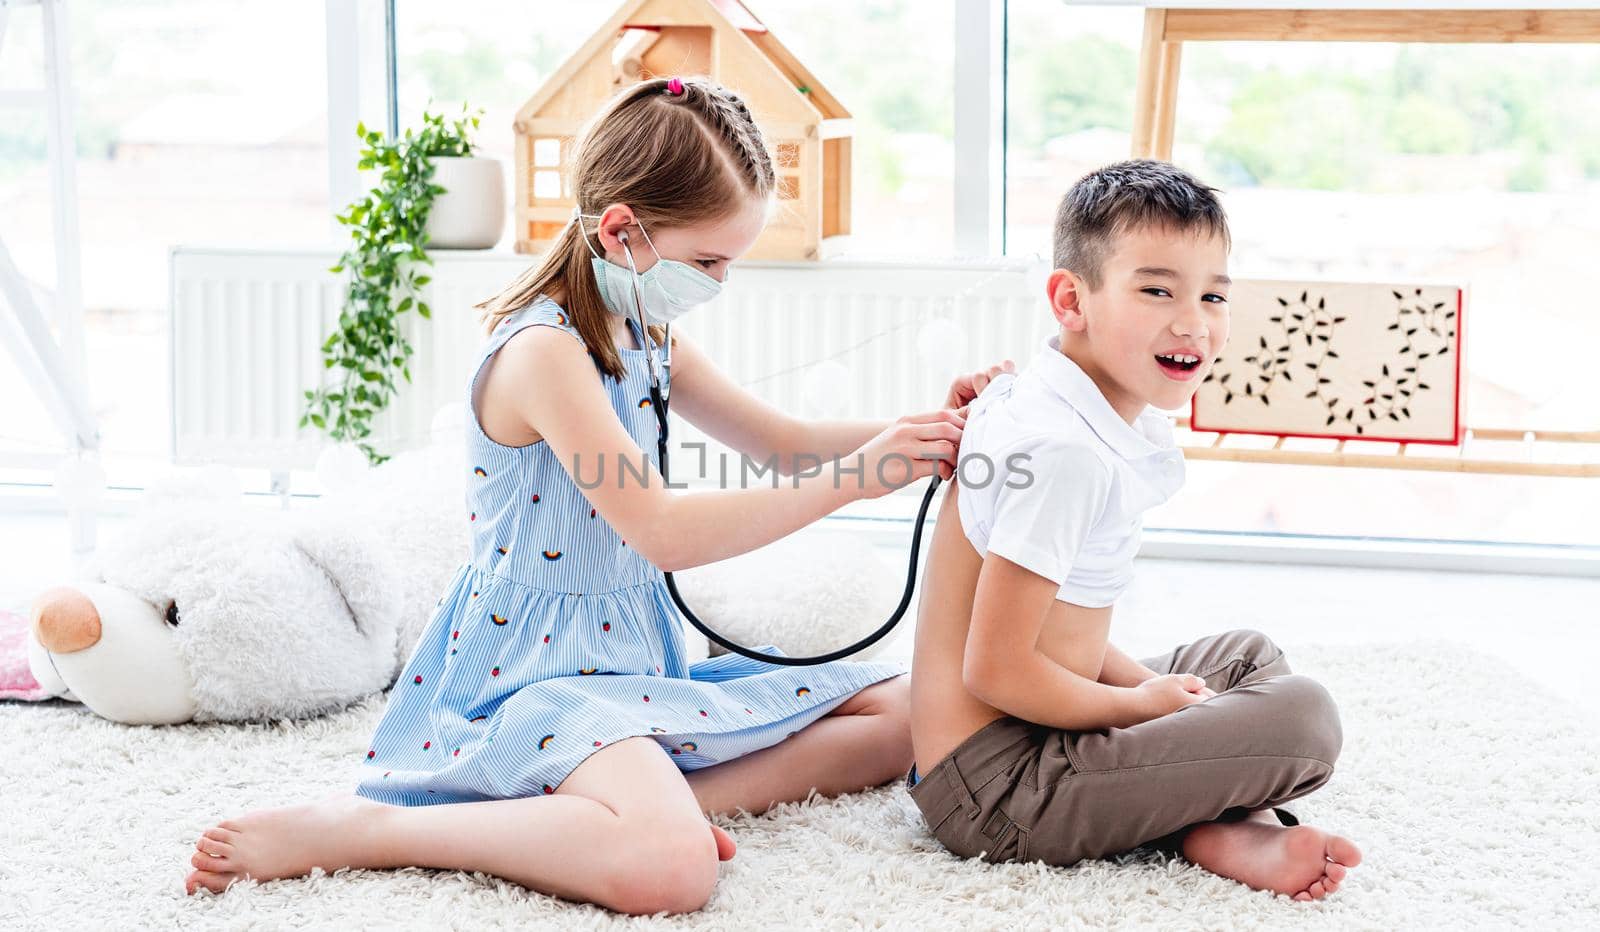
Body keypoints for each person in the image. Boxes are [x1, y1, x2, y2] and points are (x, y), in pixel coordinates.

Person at [185, 76, 1003, 914]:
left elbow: (780, 444)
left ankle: (611, 811)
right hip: (531, 678)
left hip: (631, 664)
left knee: (909, 712)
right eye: (710, 260)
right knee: (675, 871)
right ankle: (369, 831)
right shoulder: (544, 352)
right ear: (623, 232)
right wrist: (864, 475)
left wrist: (929, 431)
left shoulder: (645, 330)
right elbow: (665, 533)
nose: (721, 281)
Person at [906, 159, 1363, 901]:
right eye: (1157, 290)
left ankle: (1205, 817)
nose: (1193, 322)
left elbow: (1060, 636)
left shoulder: (1051, 404)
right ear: (1070, 300)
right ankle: (1204, 824)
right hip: (998, 793)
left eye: (1213, 295)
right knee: (1304, 719)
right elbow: (996, 671)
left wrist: (1157, 688)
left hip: (1032, 732)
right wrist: (1138, 707)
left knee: (1244, 657)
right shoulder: (1065, 455)